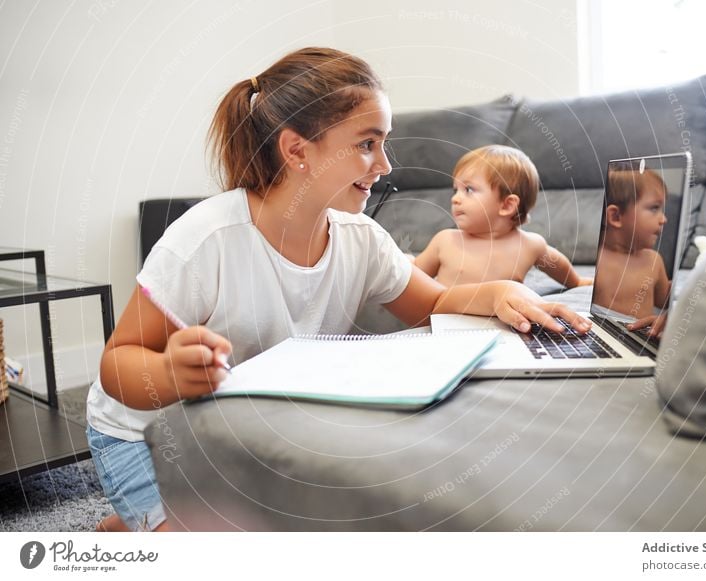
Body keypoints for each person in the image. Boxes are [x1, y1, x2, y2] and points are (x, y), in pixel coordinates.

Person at [86, 47, 591, 532]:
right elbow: (117, 365)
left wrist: (498, 291)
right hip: (148, 434)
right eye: (367, 144)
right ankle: (133, 528)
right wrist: (169, 373)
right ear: (297, 150)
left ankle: (135, 526)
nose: (386, 164)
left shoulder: (360, 239)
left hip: (248, 430)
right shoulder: (206, 240)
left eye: (384, 143)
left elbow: (432, 304)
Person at [413, 145, 593, 289]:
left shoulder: (530, 245)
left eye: (468, 190)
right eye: (455, 190)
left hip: (504, 329)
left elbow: (558, 265)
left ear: (507, 205)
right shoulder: (445, 241)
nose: (455, 198)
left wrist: (575, 282)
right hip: (448, 327)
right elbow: (413, 278)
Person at [592, 167, 671, 337]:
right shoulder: (598, 260)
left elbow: (665, 301)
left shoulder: (654, 261)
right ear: (616, 217)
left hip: (642, 342)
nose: (663, 219)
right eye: (654, 208)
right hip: (602, 338)